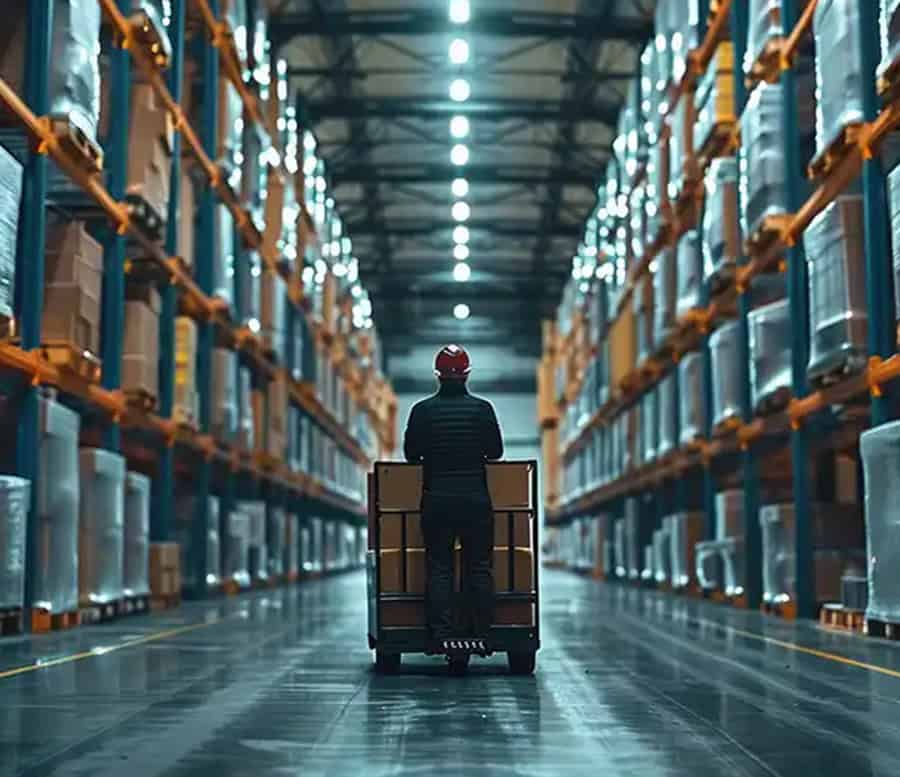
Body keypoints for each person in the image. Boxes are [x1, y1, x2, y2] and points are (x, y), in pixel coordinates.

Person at [403, 345, 504, 655]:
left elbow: (410, 455)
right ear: (467, 373)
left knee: (440, 568)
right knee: (478, 566)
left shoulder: (422, 411)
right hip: (475, 500)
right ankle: (481, 631)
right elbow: (496, 452)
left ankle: (442, 633)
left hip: (437, 501)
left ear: (437, 375)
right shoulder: (482, 409)